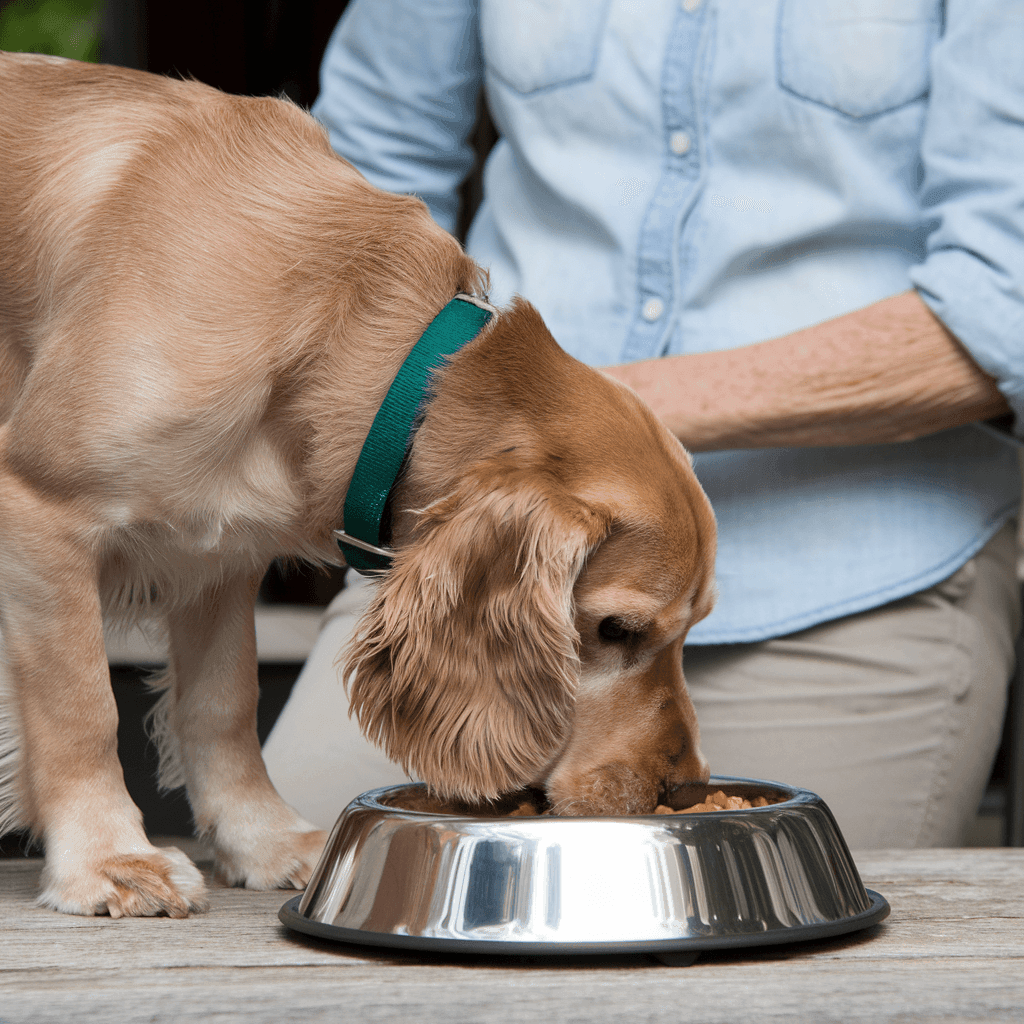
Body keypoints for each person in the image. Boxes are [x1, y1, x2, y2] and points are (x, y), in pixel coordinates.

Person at [262, 0, 1024, 847]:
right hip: (475, 555)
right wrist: (470, 470)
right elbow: (358, 193)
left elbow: (1004, 304)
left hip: (849, 576)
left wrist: (562, 429)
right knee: (293, 899)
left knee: (776, 949)